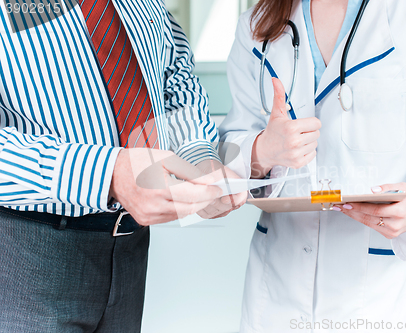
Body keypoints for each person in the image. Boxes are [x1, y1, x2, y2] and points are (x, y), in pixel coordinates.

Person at [219, 0, 406, 332]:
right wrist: (263, 148)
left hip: (374, 294)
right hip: (277, 284)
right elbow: (231, 143)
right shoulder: (255, 24)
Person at [0, 0, 246, 331]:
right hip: (26, 255)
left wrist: (198, 154)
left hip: (131, 249)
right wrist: (110, 172)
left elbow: (172, 73)